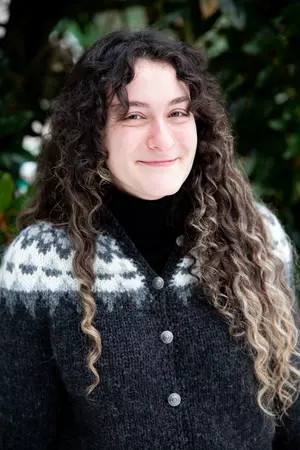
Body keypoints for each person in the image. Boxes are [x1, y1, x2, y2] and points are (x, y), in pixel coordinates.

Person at [0, 29, 299, 450]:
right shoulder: (41, 264)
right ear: (92, 132)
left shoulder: (257, 237)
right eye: (134, 116)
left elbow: (292, 414)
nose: (163, 138)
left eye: (178, 113)